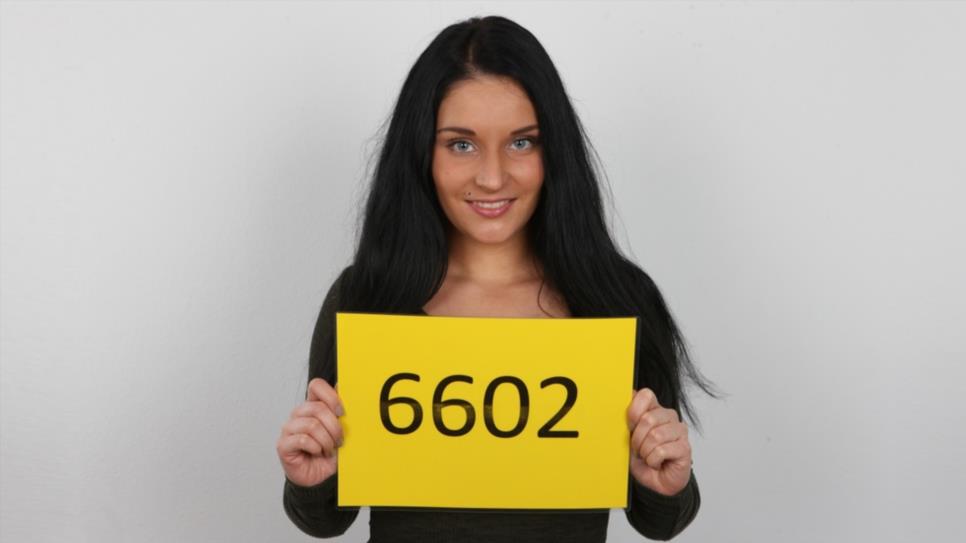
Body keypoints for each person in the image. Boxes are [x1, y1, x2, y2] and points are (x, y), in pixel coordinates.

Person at [276, 15, 721, 542]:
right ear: (422, 152)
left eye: (522, 143)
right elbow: (325, 519)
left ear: (554, 151)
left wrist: (665, 479)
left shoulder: (618, 300)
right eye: (461, 144)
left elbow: (661, 520)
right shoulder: (365, 299)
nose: (492, 177)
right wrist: (310, 478)